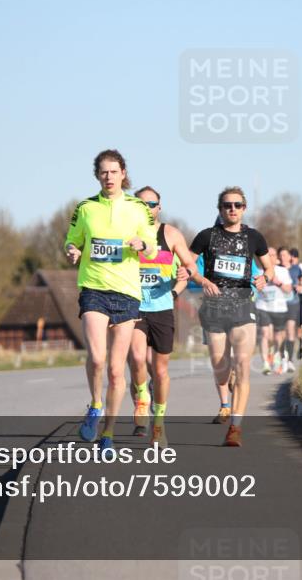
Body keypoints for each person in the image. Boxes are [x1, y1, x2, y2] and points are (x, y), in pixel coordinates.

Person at [65, 150, 159, 458]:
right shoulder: (86, 208)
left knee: (118, 372)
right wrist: (73, 251)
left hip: (127, 293)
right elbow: (72, 239)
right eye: (103, 172)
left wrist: (142, 244)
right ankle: (95, 405)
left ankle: (108, 432)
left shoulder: (137, 208)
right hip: (94, 288)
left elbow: (152, 246)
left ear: (123, 174)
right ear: (97, 175)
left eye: (114, 171)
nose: (109, 177)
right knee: (96, 358)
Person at [187, 187, 273, 447]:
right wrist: (202, 280)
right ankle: (227, 385)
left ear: (244, 208)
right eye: (227, 205)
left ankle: (235, 427)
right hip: (214, 308)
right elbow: (188, 266)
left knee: (243, 363)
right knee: (220, 368)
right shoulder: (206, 236)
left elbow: (270, 268)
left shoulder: (254, 237)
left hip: (242, 306)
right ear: (220, 209)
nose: (232, 209)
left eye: (237, 205)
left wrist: (264, 278)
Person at [128, 186, 197, 446]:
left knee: (160, 370)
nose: (147, 208)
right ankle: (142, 396)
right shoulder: (127, 234)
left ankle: (158, 423)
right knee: (136, 358)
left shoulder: (170, 233)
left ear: (159, 207)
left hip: (162, 307)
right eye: (141, 204)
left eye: (152, 203)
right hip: (134, 305)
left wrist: (184, 275)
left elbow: (190, 265)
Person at [256, 247, 292, 375]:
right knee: (265, 334)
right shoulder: (258, 271)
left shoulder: (282, 271)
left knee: (277, 337)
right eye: (267, 255)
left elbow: (288, 290)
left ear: (276, 258)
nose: (269, 257)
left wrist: (278, 283)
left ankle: (277, 354)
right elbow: (253, 290)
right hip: (262, 306)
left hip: (279, 307)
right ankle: (265, 363)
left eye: (272, 255)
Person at [276, 247, 300, 372]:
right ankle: (281, 359)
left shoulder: (296, 268)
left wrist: (300, 285)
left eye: (284, 254)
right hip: (279, 303)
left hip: (292, 302)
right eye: (280, 255)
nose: (282, 257)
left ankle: (289, 360)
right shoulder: (277, 269)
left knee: (290, 330)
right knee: (280, 332)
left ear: (290, 257)